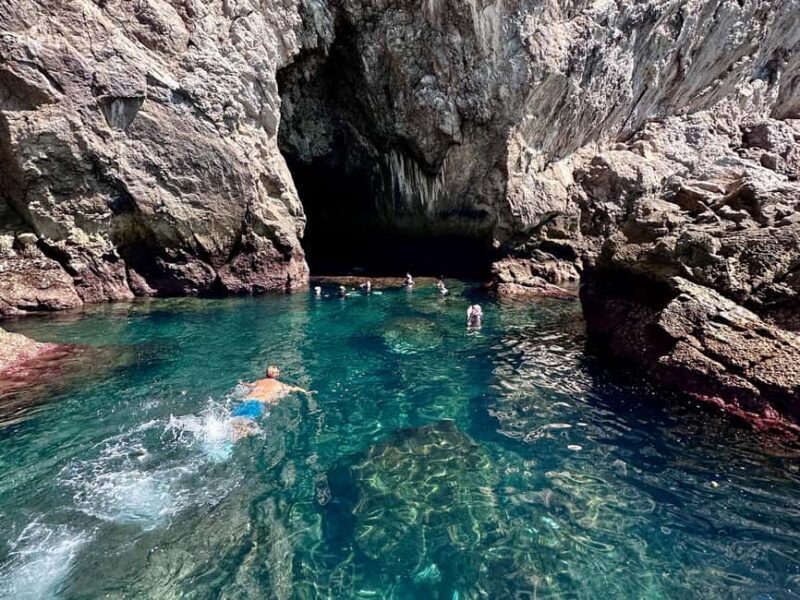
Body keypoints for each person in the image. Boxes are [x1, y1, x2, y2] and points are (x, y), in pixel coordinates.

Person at [230, 365, 312, 440]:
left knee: (233, 422)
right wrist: (306, 392)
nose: (278, 374)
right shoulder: (279, 384)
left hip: (246, 402)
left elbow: (247, 385)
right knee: (244, 427)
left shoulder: (259, 381)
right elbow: (295, 388)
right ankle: (231, 443)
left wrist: (241, 382)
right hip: (257, 404)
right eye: (277, 372)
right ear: (274, 374)